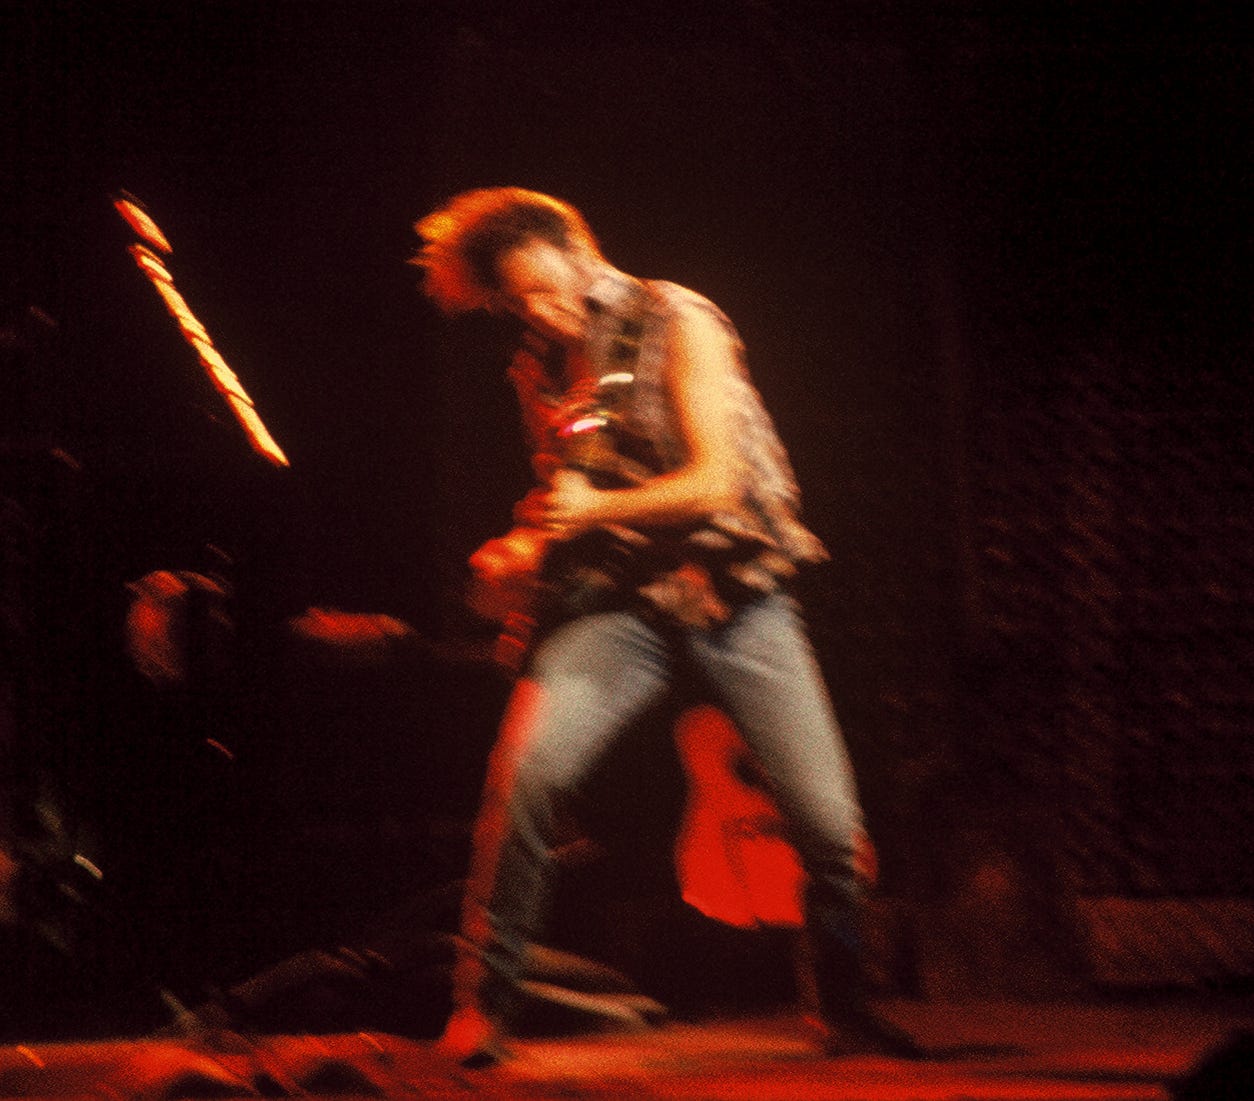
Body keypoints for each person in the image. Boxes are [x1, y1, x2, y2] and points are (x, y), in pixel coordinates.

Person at [413, 188, 921, 1064]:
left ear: (577, 248)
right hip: (627, 606)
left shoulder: (677, 318)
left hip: (736, 595)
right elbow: (571, 490)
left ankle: (842, 1004)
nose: (540, 314)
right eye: (517, 304)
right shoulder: (537, 365)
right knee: (526, 778)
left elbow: (717, 481)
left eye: (545, 289)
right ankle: (482, 1007)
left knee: (829, 828)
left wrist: (590, 510)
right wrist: (523, 551)